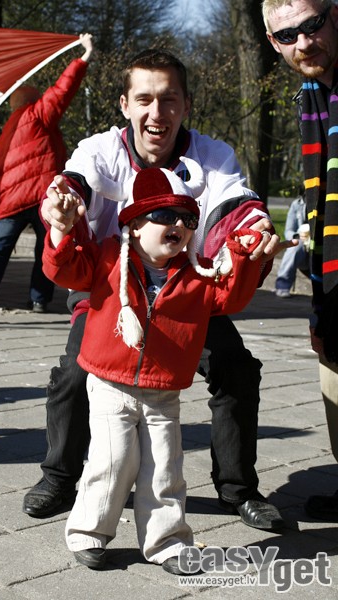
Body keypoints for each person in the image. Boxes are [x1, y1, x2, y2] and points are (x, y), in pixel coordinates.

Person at [23, 48, 290, 531]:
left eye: (169, 99)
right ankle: (59, 476)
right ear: (125, 104)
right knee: (73, 374)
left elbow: (237, 208)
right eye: (144, 99)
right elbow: (71, 186)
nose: (157, 113)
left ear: (185, 104)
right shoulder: (100, 150)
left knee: (237, 368)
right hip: (109, 294)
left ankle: (238, 489)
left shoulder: (213, 156)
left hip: (185, 295)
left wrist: (256, 231)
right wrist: (59, 208)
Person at [43, 159, 264, 573]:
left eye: (187, 219)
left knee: (165, 469)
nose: (178, 224)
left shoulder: (197, 273)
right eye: (164, 215)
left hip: (163, 390)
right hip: (110, 383)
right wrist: (62, 229)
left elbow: (231, 297)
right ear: (134, 225)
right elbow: (64, 267)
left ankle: (167, 542)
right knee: (113, 462)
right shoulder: (108, 258)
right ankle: (89, 531)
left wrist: (244, 254)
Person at [0, 33, 93, 323]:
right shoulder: (39, 115)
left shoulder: (2, 139)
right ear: (35, 100)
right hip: (42, 197)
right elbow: (62, 90)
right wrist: (83, 56)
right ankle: (40, 299)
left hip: (10, 203)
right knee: (47, 246)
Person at [263, 0, 338, 521]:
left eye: (312, 26)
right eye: (288, 35)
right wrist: (320, 304)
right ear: (273, 42)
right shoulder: (311, 95)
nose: (304, 43)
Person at [275, 190, 310, 297]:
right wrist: (298, 236)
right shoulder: (296, 205)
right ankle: (282, 286)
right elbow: (288, 231)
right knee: (295, 246)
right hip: (303, 250)